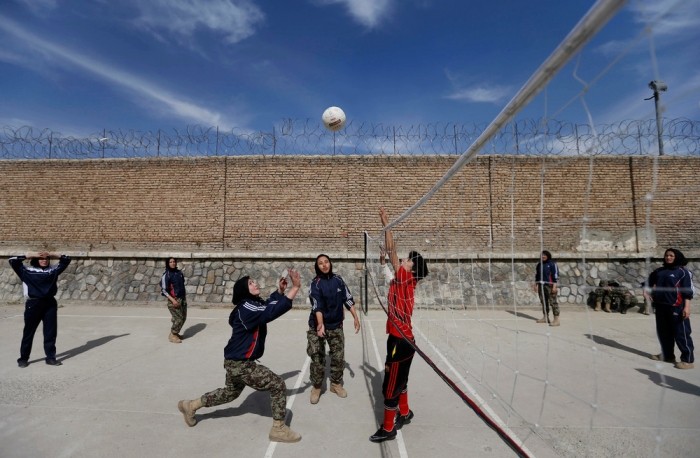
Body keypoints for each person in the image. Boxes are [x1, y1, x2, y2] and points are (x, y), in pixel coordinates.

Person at [177, 269, 303, 443]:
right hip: (241, 364)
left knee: (230, 393)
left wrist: (280, 291)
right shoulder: (246, 307)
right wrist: (295, 288)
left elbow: (266, 306)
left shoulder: (250, 305)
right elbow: (269, 313)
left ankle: (191, 405)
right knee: (278, 385)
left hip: (233, 361)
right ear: (244, 289)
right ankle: (278, 429)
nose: (256, 283)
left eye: (254, 281)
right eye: (251, 283)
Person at [370, 207, 429, 443]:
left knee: (389, 386)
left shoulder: (406, 279)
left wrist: (386, 225)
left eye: (406, 261)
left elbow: (393, 251)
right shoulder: (401, 281)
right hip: (403, 340)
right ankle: (405, 412)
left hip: (400, 341)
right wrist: (384, 263)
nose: (402, 260)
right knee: (400, 378)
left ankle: (388, 428)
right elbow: (389, 272)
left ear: (411, 269)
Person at [307, 254, 361, 404]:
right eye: (320, 263)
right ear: (317, 266)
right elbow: (317, 306)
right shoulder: (315, 284)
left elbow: (348, 298)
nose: (324, 265)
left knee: (338, 357)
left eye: (326, 262)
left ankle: (335, 384)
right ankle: (317, 386)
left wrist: (355, 317)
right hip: (317, 325)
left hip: (336, 325)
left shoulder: (338, 280)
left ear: (330, 263)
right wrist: (320, 324)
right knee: (317, 358)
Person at [9, 251, 72, 367]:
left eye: (47, 258)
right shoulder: (26, 271)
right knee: (29, 332)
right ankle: (23, 359)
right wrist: (30, 254)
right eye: (41, 258)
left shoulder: (53, 270)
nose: (44, 260)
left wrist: (53, 254)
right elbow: (12, 260)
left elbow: (67, 259)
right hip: (33, 304)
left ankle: (50, 358)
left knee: (50, 332)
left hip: (50, 304)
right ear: (35, 260)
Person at [645, 248, 694, 369]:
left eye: (671, 255)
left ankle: (687, 360)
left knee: (681, 334)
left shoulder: (682, 272)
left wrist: (686, 307)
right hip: (661, 307)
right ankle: (668, 356)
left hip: (677, 307)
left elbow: (687, 291)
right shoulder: (659, 271)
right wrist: (646, 292)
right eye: (667, 255)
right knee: (664, 333)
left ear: (677, 257)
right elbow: (647, 283)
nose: (668, 257)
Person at [160, 257, 187, 343]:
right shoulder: (166, 275)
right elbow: (164, 290)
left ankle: (176, 333)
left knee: (183, 318)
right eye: (170, 262)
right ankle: (173, 335)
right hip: (174, 300)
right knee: (178, 319)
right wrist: (173, 300)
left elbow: (182, 285)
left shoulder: (179, 273)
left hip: (182, 299)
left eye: (174, 261)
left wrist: (184, 298)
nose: (173, 263)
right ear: (168, 264)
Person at [533, 250, 560, 326]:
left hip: (550, 285)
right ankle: (545, 317)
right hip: (541, 285)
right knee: (543, 302)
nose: (543, 256)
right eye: (542, 255)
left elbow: (555, 275)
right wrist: (536, 285)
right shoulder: (539, 265)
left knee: (553, 302)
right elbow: (537, 275)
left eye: (544, 255)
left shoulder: (552, 264)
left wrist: (554, 286)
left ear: (548, 256)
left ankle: (556, 319)